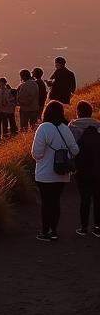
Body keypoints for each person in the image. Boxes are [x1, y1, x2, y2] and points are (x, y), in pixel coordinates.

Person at [31, 100, 79, 241]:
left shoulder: (44, 128)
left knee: (46, 202)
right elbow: (75, 150)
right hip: (62, 174)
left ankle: (45, 232)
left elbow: (36, 153)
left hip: (45, 174)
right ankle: (54, 231)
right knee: (56, 201)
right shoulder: (65, 128)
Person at [69, 101, 100, 237]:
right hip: (98, 167)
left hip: (81, 168)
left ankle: (83, 227)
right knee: (98, 198)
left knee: (85, 198)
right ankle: (98, 227)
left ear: (78, 112)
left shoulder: (73, 127)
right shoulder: (98, 126)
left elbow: (70, 148)